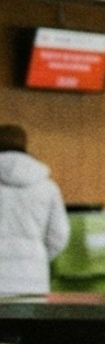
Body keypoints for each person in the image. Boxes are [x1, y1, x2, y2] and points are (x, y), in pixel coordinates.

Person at [0, 126, 69, 296]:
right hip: (33, 277)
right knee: (28, 322)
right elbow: (59, 235)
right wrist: (36, 256)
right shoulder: (47, 186)